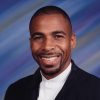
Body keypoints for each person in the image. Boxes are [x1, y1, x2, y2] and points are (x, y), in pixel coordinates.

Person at [4, 6, 100, 100]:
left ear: (72, 41)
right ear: (30, 43)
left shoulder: (96, 90)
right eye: (38, 37)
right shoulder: (15, 91)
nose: (47, 47)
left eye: (58, 36)